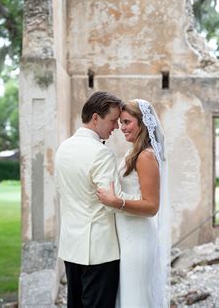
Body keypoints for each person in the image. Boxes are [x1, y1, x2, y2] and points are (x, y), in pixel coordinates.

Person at [55, 91, 141, 307]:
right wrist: (144, 199)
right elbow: (112, 201)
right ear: (96, 118)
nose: (115, 128)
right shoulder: (101, 153)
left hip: (71, 246)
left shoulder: (62, 148)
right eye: (112, 121)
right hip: (99, 251)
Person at [96, 99, 170, 308]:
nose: (121, 127)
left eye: (127, 122)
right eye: (120, 122)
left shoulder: (145, 156)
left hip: (137, 240)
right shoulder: (133, 153)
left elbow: (152, 206)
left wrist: (117, 202)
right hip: (127, 239)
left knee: (135, 299)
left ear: (142, 123)